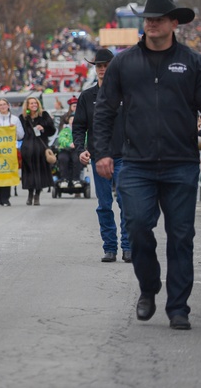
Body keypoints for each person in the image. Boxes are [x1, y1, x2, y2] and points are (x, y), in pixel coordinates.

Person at [93, 0, 201, 331]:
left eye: (159, 19)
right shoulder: (124, 63)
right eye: (148, 18)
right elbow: (104, 110)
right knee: (136, 227)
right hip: (136, 163)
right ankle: (149, 287)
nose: (151, 23)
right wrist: (103, 151)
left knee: (181, 236)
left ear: (173, 23)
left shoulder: (193, 63)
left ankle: (178, 307)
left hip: (181, 163)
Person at [73, 48, 131, 263]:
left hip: (125, 156)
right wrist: (81, 149)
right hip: (99, 156)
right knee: (104, 204)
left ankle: (128, 246)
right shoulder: (87, 97)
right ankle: (110, 248)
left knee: (126, 202)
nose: (102, 69)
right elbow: (78, 127)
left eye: (106, 65)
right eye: (99, 66)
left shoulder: (127, 93)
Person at [0, 98, 24, 206]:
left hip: (9, 150)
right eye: (0, 105)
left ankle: (6, 197)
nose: (2, 107)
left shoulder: (15, 119)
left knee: (7, 173)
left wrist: (14, 129)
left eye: (4, 104)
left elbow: (21, 135)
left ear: (8, 106)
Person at [19, 96, 55, 206]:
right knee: (30, 172)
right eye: (31, 103)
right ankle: (30, 194)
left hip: (41, 148)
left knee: (40, 172)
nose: (34, 105)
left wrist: (43, 128)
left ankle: (37, 195)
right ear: (27, 105)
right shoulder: (23, 117)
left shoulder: (44, 115)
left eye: (35, 103)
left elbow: (52, 130)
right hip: (27, 149)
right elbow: (19, 133)